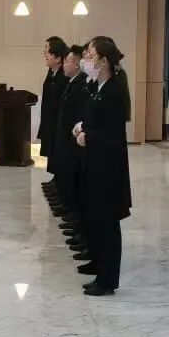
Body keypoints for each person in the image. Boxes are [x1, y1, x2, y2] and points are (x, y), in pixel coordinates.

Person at [74, 37, 132, 296]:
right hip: (94, 165)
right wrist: (81, 128)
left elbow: (112, 134)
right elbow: (94, 120)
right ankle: (99, 266)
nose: (87, 60)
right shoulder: (100, 87)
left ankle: (108, 280)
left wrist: (88, 137)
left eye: (91, 55)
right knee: (95, 219)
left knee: (107, 224)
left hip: (107, 169)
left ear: (104, 60)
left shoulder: (114, 91)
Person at [48, 45, 91, 262]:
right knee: (71, 184)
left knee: (78, 188)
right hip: (69, 140)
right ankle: (76, 224)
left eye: (67, 61)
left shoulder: (83, 84)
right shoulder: (74, 83)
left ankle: (82, 233)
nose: (65, 64)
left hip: (79, 144)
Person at [38, 38, 68, 192]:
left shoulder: (64, 75)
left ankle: (59, 181)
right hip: (50, 120)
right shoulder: (51, 72)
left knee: (58, 152)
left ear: (58, 58)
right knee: (52, 151)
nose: (45, 54)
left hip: (58, 121)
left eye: (48, 51)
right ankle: (55, 179)